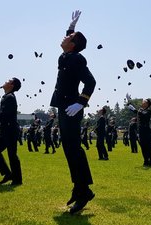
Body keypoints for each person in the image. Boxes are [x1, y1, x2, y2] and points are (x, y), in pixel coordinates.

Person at [49, 10, 96, 214]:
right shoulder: (66, 56)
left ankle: (83, 191)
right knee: (70, 151)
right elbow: (68, 42)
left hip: (71, 109)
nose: (65, 37)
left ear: (74, 44)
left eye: (69, 37)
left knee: (74, 151)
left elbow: (91, 82)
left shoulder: (76, 59)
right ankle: (79, 189)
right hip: (64, 107)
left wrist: (81, 103)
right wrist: (71, 27)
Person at [127, 94, 151, 167]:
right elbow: (139, 113)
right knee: (143, 146)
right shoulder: (141, 110)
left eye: (144, 101)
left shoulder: (148, 111)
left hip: (146, 131)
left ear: (147, 104)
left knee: (148, 147)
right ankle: (146, 161)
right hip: (141, 131)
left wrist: (135, 109)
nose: (142, 102)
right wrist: (131, 107)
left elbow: (142, 115)